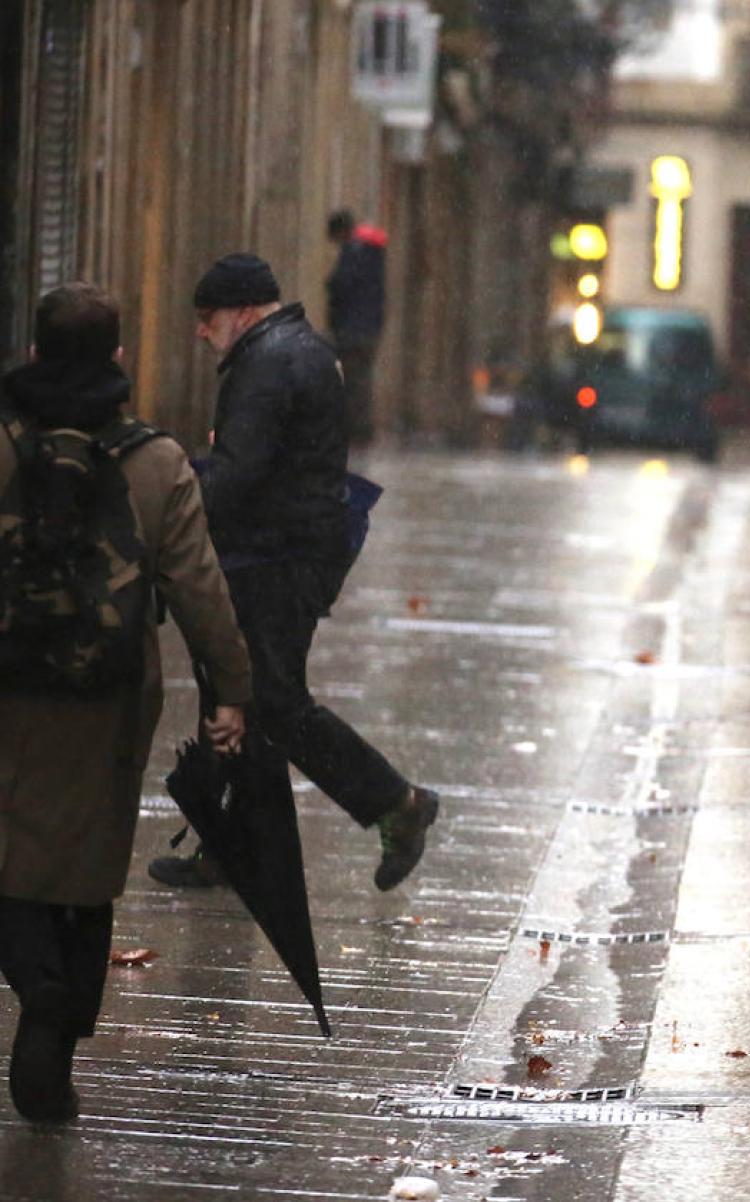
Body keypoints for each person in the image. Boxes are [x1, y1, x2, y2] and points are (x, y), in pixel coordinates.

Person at [0, 283, 253, 1121]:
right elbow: (199, 589)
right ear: (117, 359)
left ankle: (34, 985)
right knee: (90, 855)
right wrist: (232, 690)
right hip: (110, 694)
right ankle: (64, 1018)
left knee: (10, 844)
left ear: (34, 352)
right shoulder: (155, 461)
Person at [147, 254, 440, 894]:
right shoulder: (293, 350)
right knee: (234, 694)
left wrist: (172, 509)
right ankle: (227, 846)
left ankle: (396, 803)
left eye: (207, 318)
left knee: (270, 701)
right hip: (284, 550)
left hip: (275, 559)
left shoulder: (270, 363)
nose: (201, 331)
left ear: (244, 311)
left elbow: (240, 472)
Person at [325, 210, 387, 446]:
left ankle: (357, 431)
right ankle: (360, 429)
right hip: (368, 328)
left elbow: (343, 285)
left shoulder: (354, 252)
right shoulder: (370, 252)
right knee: (360, 379)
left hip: (353, 329)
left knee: (354, 380)